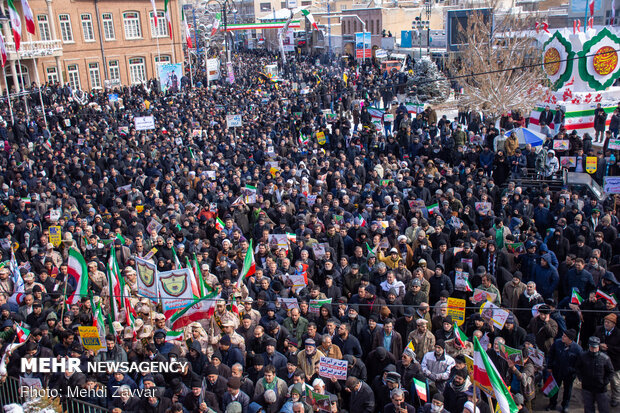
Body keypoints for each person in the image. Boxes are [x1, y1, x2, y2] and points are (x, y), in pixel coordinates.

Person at [576, 336, 615, 413]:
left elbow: (610, 372)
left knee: (604, 408)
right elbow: (577, 368)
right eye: (592, 347)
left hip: (601, 388)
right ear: (589, 346)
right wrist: (581, 379)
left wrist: (604, 382)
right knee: (588, 408)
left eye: (595, 347)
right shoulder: (583, 356)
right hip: (587, 387)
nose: (593, 350)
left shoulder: (605, 358)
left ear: (598, 347)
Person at [547, 329, 582, 412]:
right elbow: (551, 355)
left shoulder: (577, 349)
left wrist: (573, 371)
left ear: (570, 339)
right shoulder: (557, 343)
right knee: (554, 388)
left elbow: (579, 364)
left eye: (565, 336)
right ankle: (552, 404)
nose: (562, 337)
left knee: (567, 390)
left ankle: (565, 406)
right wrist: (550, 366)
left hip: (569, 374)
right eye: (563, 335)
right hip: (557, 371)